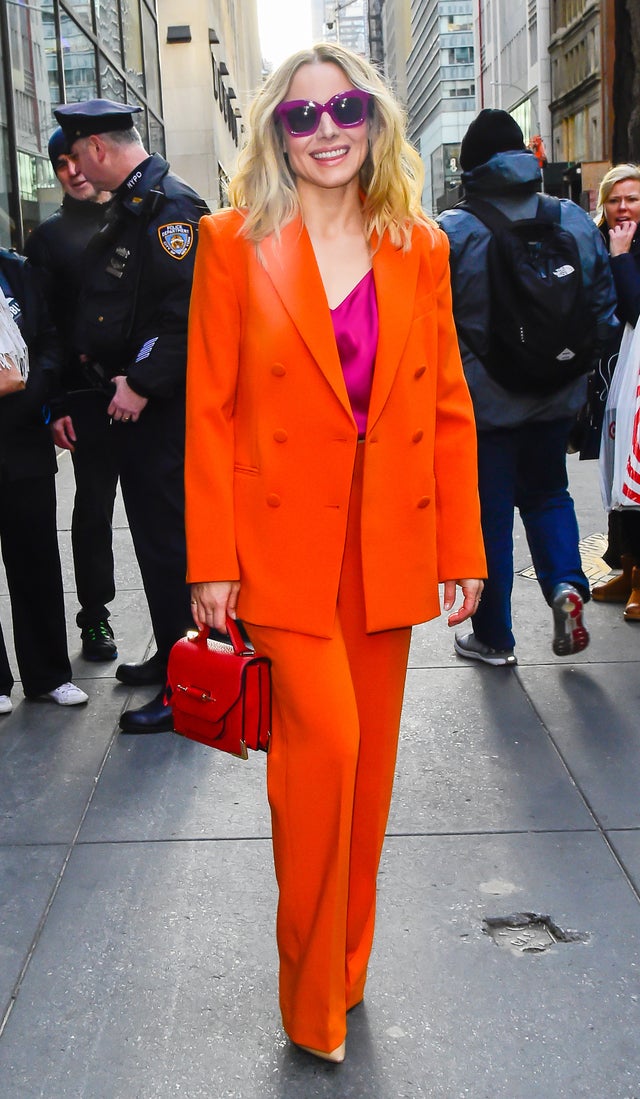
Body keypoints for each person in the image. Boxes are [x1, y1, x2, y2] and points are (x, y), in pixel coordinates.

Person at [185, 43, 486, 1062]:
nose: (325, 131)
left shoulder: (420, 246)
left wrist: (462, 542)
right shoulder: (232, 243)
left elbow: (447, 405)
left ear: (374, 118)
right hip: (277, 549)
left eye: (344, 107)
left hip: (387, 542)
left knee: (371, 777)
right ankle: (308, 992)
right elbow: (211, 414)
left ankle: (348, 964)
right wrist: (209, 560)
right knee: (324, 760)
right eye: (302, 116)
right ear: (277, 131)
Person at [438, 109, 618, 666]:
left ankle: (494, 636)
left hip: (483, 404)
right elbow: (604, 314)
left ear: (470, 168)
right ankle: (566, 585)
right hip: (556, 395)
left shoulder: (453, 231)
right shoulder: (572, 219)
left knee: (488, 515)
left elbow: (431, 325)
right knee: (548, 494)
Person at [54, 99, 210, 732]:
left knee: (169, 541)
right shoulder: (133, 203)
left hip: (160, 406)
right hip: (132, 403)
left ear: (96, 147)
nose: (79, 166)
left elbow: (186, 311)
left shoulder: (170, 207)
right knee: (151, 538)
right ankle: (172, 653)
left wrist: (142, 382)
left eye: (78, 153)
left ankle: (189, 681)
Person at [25, 127, 118, 662]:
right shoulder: (48, 240)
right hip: (84, 398)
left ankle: (178, 620)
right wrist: (55, 405)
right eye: (60, 164)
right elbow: (44, 331)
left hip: (150, 393)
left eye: (77, 158)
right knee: (93, 511)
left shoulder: (137, 219)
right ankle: (95, 617)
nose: (73, 171)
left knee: (166, 510)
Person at [0, 247, 89, 712]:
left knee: (35, 558)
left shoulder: (16, 270)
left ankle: (48, 674)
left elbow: (51, 341)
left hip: (22, 438)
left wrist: (36, 392)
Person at [591, 163, 640, 620]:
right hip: (610, 375)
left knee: (636, 473)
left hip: (637, 379)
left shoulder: (626, 246)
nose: (623, 207)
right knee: (613, 475)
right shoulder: (597, 241)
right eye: (614, 200)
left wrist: (622, 255)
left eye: (632, 198)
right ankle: (626, 568)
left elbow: (634, 309)